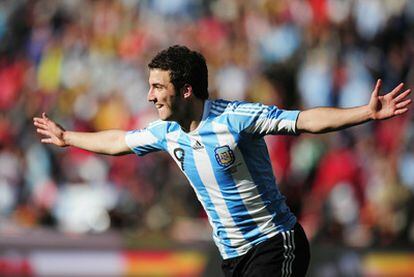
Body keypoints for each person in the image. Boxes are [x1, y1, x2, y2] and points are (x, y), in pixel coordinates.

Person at [33, 45, 411, 277]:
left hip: (275, 244)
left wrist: (365, 113)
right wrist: (67, 138)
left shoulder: (236, 119)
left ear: (186, 89)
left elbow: (303, 120)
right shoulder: (168, 133)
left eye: (157, 87)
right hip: (232, 258)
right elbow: (118, 141)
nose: (149, 96)